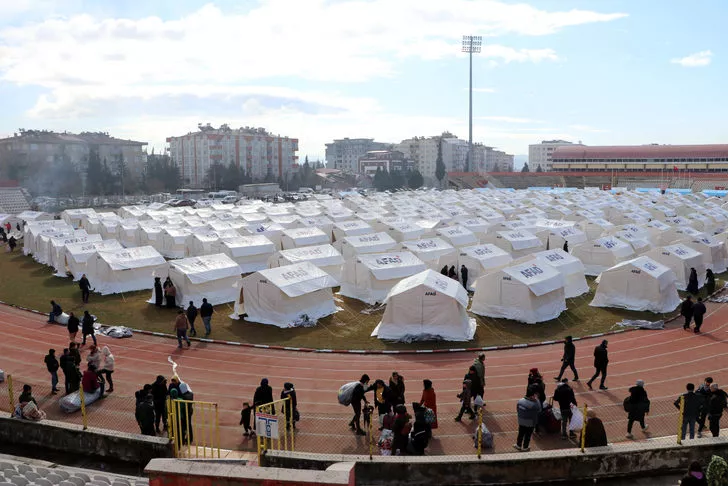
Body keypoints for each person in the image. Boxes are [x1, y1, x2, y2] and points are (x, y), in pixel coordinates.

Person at [514, 385, 542, 452]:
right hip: (530, 422)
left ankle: (518, 445)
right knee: (528, 435)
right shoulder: (535, 404)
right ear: (532, 395)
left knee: (521, 433)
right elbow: (539, 410)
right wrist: (537, 400)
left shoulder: (520, 401)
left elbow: (517, 409)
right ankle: (525, 447)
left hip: (521, 420)